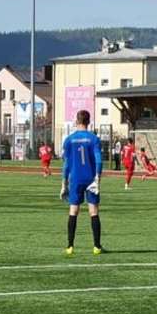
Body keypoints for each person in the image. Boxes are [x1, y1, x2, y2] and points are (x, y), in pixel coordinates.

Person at [61, 109, 103, 255]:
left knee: (73, 211)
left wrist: (63, 184)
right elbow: (98, 160)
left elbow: (66, 164)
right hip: (91, 178)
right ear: (89, 122)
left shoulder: (69, 140)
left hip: (76, 179)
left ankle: (70, 246)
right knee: (93, 212)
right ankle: (97, 246)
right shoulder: (94, 139)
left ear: (77, 121)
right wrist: (98, 177)